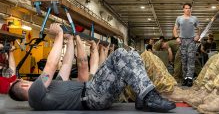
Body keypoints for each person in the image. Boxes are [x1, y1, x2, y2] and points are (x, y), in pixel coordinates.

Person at [8, 23, 176, 112]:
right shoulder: (34, 94)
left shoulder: (51, 89)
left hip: (96, 95)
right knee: (118, 55)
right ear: (23, 84)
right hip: (92, 96)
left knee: (130, 55)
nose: (28, 80)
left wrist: (70, 39)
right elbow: (51, 66)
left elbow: (66, 64)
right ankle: (150, 97)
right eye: (24, 80)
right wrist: (58, 34)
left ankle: (143, 96)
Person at [173, 3, 200, 87]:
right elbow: (175, 29)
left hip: (192, 41)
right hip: (182, 41)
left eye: (189, 8)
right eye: (186, 8)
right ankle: (185, 78)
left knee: (191, 60)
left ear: (191, 9)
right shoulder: (179, 18)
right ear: (183, 9)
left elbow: (199, 28)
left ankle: (190, 78)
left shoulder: (194, 18)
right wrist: (177, 37)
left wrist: (198, 35)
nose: (187, 10)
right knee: (184, 60)